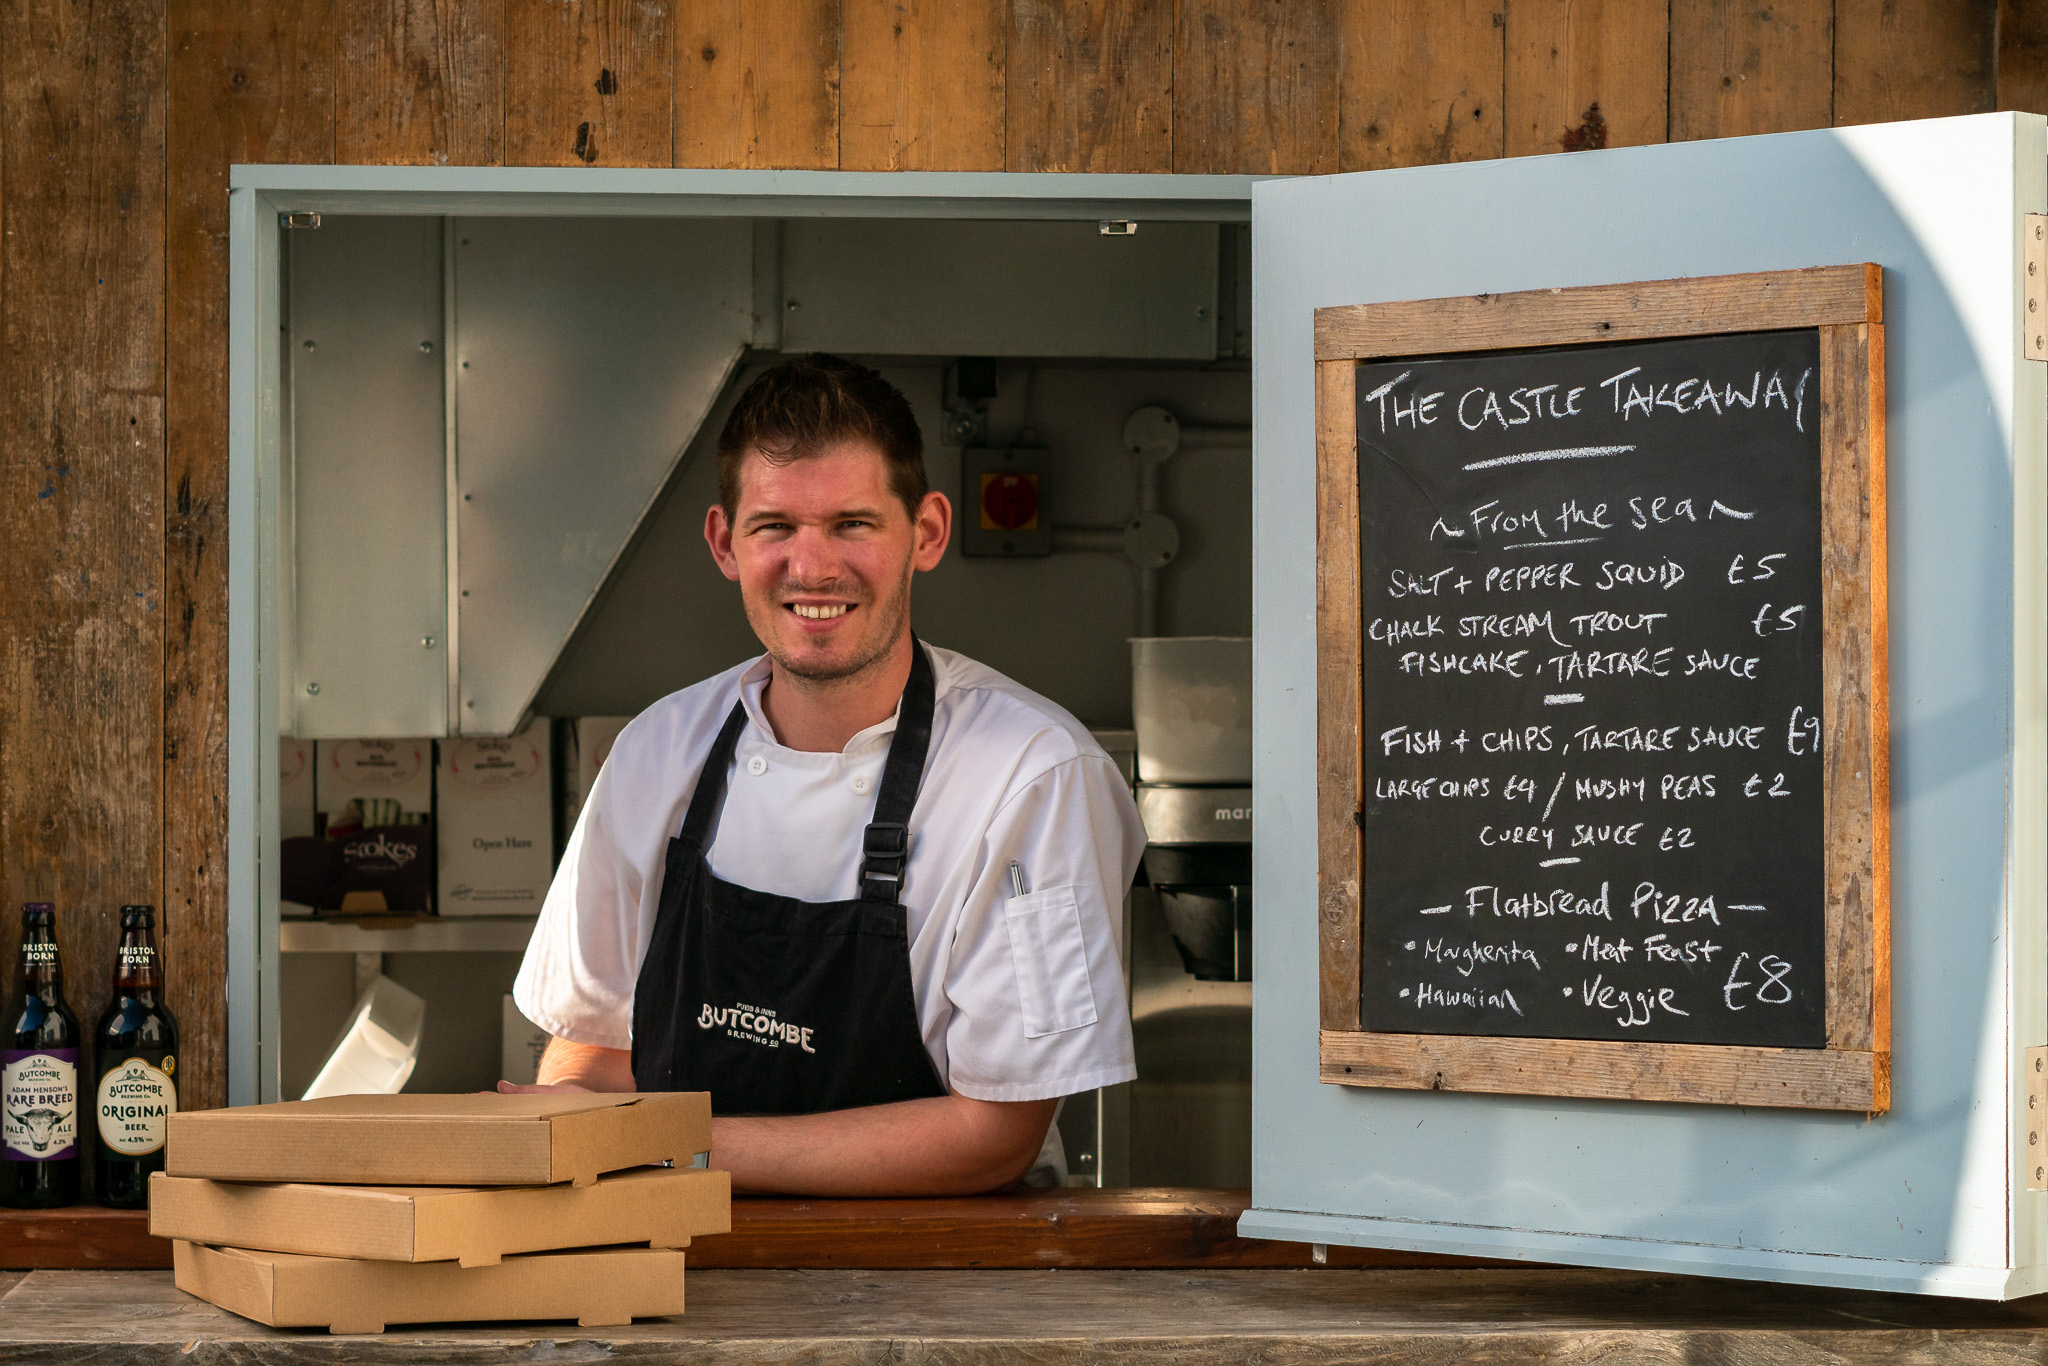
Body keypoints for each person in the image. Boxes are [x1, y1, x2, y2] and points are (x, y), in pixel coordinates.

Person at [505, 354, 1143, 1196]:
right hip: (678, 1264)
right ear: (725, 543)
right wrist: (573, 1125)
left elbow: (995, 1133)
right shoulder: (656, 755)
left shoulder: (1032, 777)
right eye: (775, 527)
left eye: (852, 523)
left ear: (927, 533)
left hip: (948, 1286)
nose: (812, 568)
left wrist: (672, 1146)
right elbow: (595, 1048)